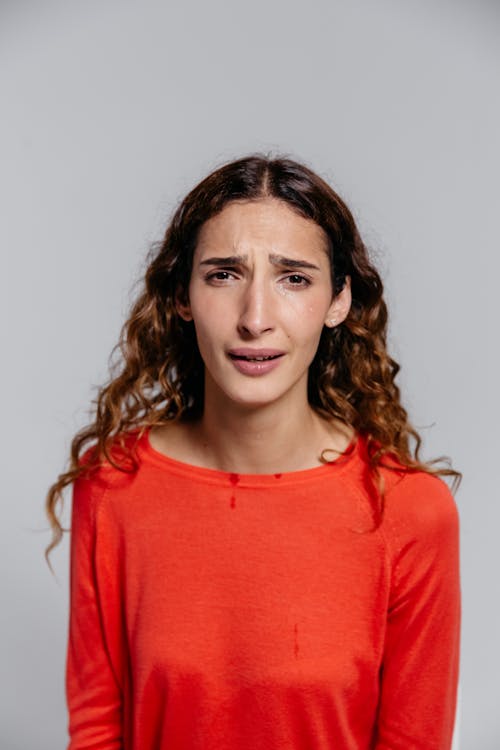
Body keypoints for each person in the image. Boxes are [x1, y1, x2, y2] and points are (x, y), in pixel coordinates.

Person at [45, 153, 461, 750]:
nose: (255, 318)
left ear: (338, 300)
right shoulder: (114, 487)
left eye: (294, 278)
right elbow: (95, 730)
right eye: (223, 275)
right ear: (183, 295)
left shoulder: (409, 512)